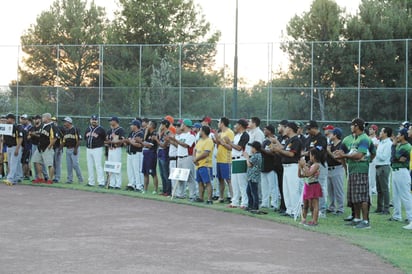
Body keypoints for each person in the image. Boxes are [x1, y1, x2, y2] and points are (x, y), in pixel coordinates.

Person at [335, 118, 375, 229]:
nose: (351, 127)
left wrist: (345, 156)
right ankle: (357, 218)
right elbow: (371, 153)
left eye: (352, 125)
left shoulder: (363, 138)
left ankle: (366, 221)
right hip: (353, 170)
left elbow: (360, 155)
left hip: (360, 171)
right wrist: (342, 155)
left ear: (357, 126)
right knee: (355, 196)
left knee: (362, 197)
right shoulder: (354, 139)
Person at [271, 122, 302, 217]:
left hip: (293, 166)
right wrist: (277, 146)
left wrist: (278, 150)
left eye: (287, 127)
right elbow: (284, 150)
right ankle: (289, 210)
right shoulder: (289, 140)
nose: (285, 129)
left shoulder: (296, 140)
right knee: (286, 190)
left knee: (293, 190)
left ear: (291, 129)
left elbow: (291, 154)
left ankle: (295, 211)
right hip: (286, 167)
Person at [304, 120, 328, 217]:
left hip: (319, 164)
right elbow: (306, 150)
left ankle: (322, 210)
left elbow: (317, 151)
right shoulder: (309, 138)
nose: (308, 131)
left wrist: (305, 153)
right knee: (311, 186)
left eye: (309, 129)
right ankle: (314, 209)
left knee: (320, 186)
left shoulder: (322, 138)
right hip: (310, 164)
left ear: (315, 128)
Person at [389, 128, 412, 230]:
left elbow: (395, 157)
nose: (397, 136)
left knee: (405, 196)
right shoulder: (400, 145)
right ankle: (397, 215)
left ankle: (410, 218)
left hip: (402, 172)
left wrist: (393, 146)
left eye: (399, 134)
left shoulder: (407, 146)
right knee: (395, 196)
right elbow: (393, 158)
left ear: (403, 136)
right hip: (395, 171)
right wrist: (396, 157)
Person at [169, 119, 197, 200]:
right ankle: (181, 194)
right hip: (180, 157)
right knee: (180, 176)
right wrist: (172, 141)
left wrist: (175, 140)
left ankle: (193, 195)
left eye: (182, 124)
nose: (180, 126)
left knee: (189, 177)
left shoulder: (191, 135)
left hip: (187, 157)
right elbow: (179, 145)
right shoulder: (181, 135)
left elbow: (185, 145)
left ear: (185, 125)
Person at [298, 147, 325, 226]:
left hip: (314, 186)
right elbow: (301, 175)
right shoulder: (311, 164)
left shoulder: (316, 165)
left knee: (314, 205)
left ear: (313, 156)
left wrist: (304, 165)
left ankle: (314, 221)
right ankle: (304, 219)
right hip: (307, 186)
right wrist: (300, 167)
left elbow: (309, 174)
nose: (309, 157)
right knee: (306, 205)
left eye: (310, 155)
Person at [227, 119, 249, 209]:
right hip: (234, 160)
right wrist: (224, 143)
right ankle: (235, 201)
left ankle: (244, 202)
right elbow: (232, 147)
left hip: (241, 159)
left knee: (242, 183)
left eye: (236, 124)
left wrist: (229, 143)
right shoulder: (237, 136)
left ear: (240, 125)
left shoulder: (245, 135)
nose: (235, 126)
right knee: (234, 183)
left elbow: (239, 148)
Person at [31, 113, 59, 184]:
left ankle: (50, 179)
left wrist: (49, 146)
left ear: (48, 118)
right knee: (36, 161)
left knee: (49, 164)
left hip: (47, 148)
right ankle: (40, 178)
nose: (42, 118)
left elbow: (55, 138)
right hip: (40, 147)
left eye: (43, 117)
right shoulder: (43, 126)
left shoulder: (53, 126)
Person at [214, 117, 234, 203]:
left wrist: (221, 142)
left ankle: (233, 198)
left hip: (226, 159)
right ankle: (221, 197)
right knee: (220, 179)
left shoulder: (229, 132)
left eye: (219, 122)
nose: (218, 124)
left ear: (222, 123)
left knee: (228, 180)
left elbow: (230, 147)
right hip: (219, 158)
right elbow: (219, 144)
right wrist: (216, 140)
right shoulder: (221, 133)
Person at [325, 127, 345, 215]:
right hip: (329, 169)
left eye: (332, 133)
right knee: (330, 190)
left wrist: (329, 152)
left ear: (336, 135)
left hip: (337, 168)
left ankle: (340, 208)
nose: (330, 135)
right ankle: (331, 207)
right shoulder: (331, 145)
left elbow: (339, 160)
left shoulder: (341, 145)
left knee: (338, 190)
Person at [373, 127, 392, 215]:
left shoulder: (388, 144)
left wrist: (376, 150)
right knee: (379, 189)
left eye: (381, 131)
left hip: (384, 167)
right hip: (378, 166)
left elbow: (384, 157)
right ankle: (379, 207)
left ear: (386, 133)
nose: (380, 133)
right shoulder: (380, 142)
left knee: (384, 189)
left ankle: (386, 209)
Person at [193, 126, 214, 204]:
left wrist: (196, 159)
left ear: (204, 132)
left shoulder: (209, 141)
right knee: (200, 182)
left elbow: (206, 153)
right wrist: (194, 158)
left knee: (207, 182)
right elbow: (195, 150)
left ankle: (209, 199)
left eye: (200, 130)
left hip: (206, 164)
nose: (199, 132)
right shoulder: (200, 140)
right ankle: (200, 198)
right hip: (198, 165)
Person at [84, 115, 106, 187]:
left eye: (95, 120)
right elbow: (85, 138)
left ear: (98, 120)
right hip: (88, 149)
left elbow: (104, 138)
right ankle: (91, 182)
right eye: (93, 119)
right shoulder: (88, 129)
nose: (94, 121)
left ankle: (101, 182)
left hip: (97, 149)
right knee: (89, 165)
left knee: (98, 165)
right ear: (90, 120)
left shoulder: (101, 129)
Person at [260, 124, 279, 210]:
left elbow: (272, 153)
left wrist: (261, 149)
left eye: (265, 129)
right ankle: (265, 203)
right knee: (264, 186)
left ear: (270, 131)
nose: (264, 131)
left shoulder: (274, 140)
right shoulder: (265, 140)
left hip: (272, 166)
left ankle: (274, 204)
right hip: (264, 166)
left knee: (273, 186)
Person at [2, 113, 23, 185]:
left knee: (13, 163)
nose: (6, 120)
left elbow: (20, 138)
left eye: (7, 118)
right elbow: (4, 139)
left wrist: (17, 149)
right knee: (13, 164)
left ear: (12, 119)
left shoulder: (17, 127)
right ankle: (16, 178)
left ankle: (10, 179)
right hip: (9, 147)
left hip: (15, 147)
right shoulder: (6, 127)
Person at [105, 116, 125, 189]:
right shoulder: (109, 130)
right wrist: (108, 142)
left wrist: (115, 142)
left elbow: (122, 140)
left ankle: (118, 184)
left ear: (115, 121)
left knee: (117, 166)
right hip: (110, 150)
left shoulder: (120, 130)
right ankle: (112, 183)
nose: (110, 122)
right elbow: (106, 140)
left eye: (111, 120)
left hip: (117, 149)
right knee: (111, 167)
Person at [62, 116, 83, 184]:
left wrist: (76, 149)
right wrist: (60, 148)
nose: (64, 123)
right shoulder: (66, 130)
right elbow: (64, 141)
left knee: (75, 164)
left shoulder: (75, 129)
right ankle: (69, 180)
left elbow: (79, 140)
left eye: (65, 122)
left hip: (74, 148)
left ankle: (80, 179)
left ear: (69, 122)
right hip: (68, 149)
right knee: (69, 165)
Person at [243, 141, 262, 213]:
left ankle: (255, 206)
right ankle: (250, 205)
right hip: (251, 176)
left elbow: (249, 164)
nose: (251, 149)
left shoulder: (256, 155)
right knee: (249, 191)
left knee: (254, 192)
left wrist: (247, 157)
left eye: (252, 147)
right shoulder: (257, 155)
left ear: (255, 148)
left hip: (254, 176)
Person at [124, 120, 144, 191]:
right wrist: (126, 141)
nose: (130, 126)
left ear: (135, 126)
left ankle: (139, 186)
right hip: (129, 153)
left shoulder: (140, 134)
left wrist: (130, 141)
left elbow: (139, 145)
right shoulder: (131, 133)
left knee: (137, 170)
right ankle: (131, 184)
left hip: (137, 154)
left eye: (132, 125)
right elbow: (127, 143)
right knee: (130, 170)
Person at [142, 120, 159, 194]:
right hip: (146, 154)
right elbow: (145, 142)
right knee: (145, 172)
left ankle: (155, 189)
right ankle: (145, 189)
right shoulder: (148, 133)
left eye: (148, 124)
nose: (147, 126)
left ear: (152, 126)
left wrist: (141, 142)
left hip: (151, 154)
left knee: (152, 173)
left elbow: (149, 145)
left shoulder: (154, 134)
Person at [155, 119, 172, 196]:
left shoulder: (168, 133)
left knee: (166, 173)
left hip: (165, 153)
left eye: (162, 124)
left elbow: (164, 145)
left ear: (165, 125)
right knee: (162, 173)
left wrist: (156, 140)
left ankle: (168, 191)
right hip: (160, 153)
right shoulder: (162, 133)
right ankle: (164, 190)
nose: (160, 126)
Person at [19, 114, 33, 180]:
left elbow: (29, 137)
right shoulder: (21, 126)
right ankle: (24, 174)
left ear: (27, 120)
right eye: (22, 119)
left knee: (26, 162)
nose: (22, 120)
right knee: (23, 161)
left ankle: (26, 175)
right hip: (23, 146)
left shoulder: (30, 127)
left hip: (28, 146)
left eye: (24, 119)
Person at [51, 117, 64, 183]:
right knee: (52, 163)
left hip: (58, 147)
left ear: (56, 121)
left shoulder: (60, 128)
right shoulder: (50, 128)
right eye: (52, 120)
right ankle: (53, 176)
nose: (53, 122)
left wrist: (60, 148)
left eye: (54, 121)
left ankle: (57, 177)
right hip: (52, 148)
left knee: (57, 163)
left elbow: (64, 139)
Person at [368, 124, 379, 195]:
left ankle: (374, 189)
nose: (369, 130)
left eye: (371, 129)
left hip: (374, 158)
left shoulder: (377, 139)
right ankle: (370, 188)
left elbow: (378, 147)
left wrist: (374, 145)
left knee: (373, 174)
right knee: (368, 173)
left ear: (375, 130)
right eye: (369, 129)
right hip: (367, 157)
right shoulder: (367, 138)